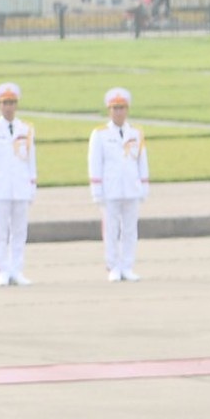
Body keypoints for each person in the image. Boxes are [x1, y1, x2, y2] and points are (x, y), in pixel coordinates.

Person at [88, 88, 149, 282]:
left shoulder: (136, 133)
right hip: (110, 189)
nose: (118, 112)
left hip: (131, 187)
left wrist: (144, 185)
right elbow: (95, 163)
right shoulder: (100, 134)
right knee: (111, 229)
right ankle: (113, 266)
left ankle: (127, 265)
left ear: (127, 109)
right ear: (109, 110)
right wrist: (96, 190)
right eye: (115, 108)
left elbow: (142, 161)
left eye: (121, 108)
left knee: (130, 229)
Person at [0, 82, 37, 286]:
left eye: (12, 102)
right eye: (5, 103)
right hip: (1, 187)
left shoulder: (27, 128)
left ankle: (17, 269)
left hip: (21, 186)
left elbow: (31, 160)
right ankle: (3, 270)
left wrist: (32, 185)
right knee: (1, 230)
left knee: (20, 231)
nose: (8, 107)